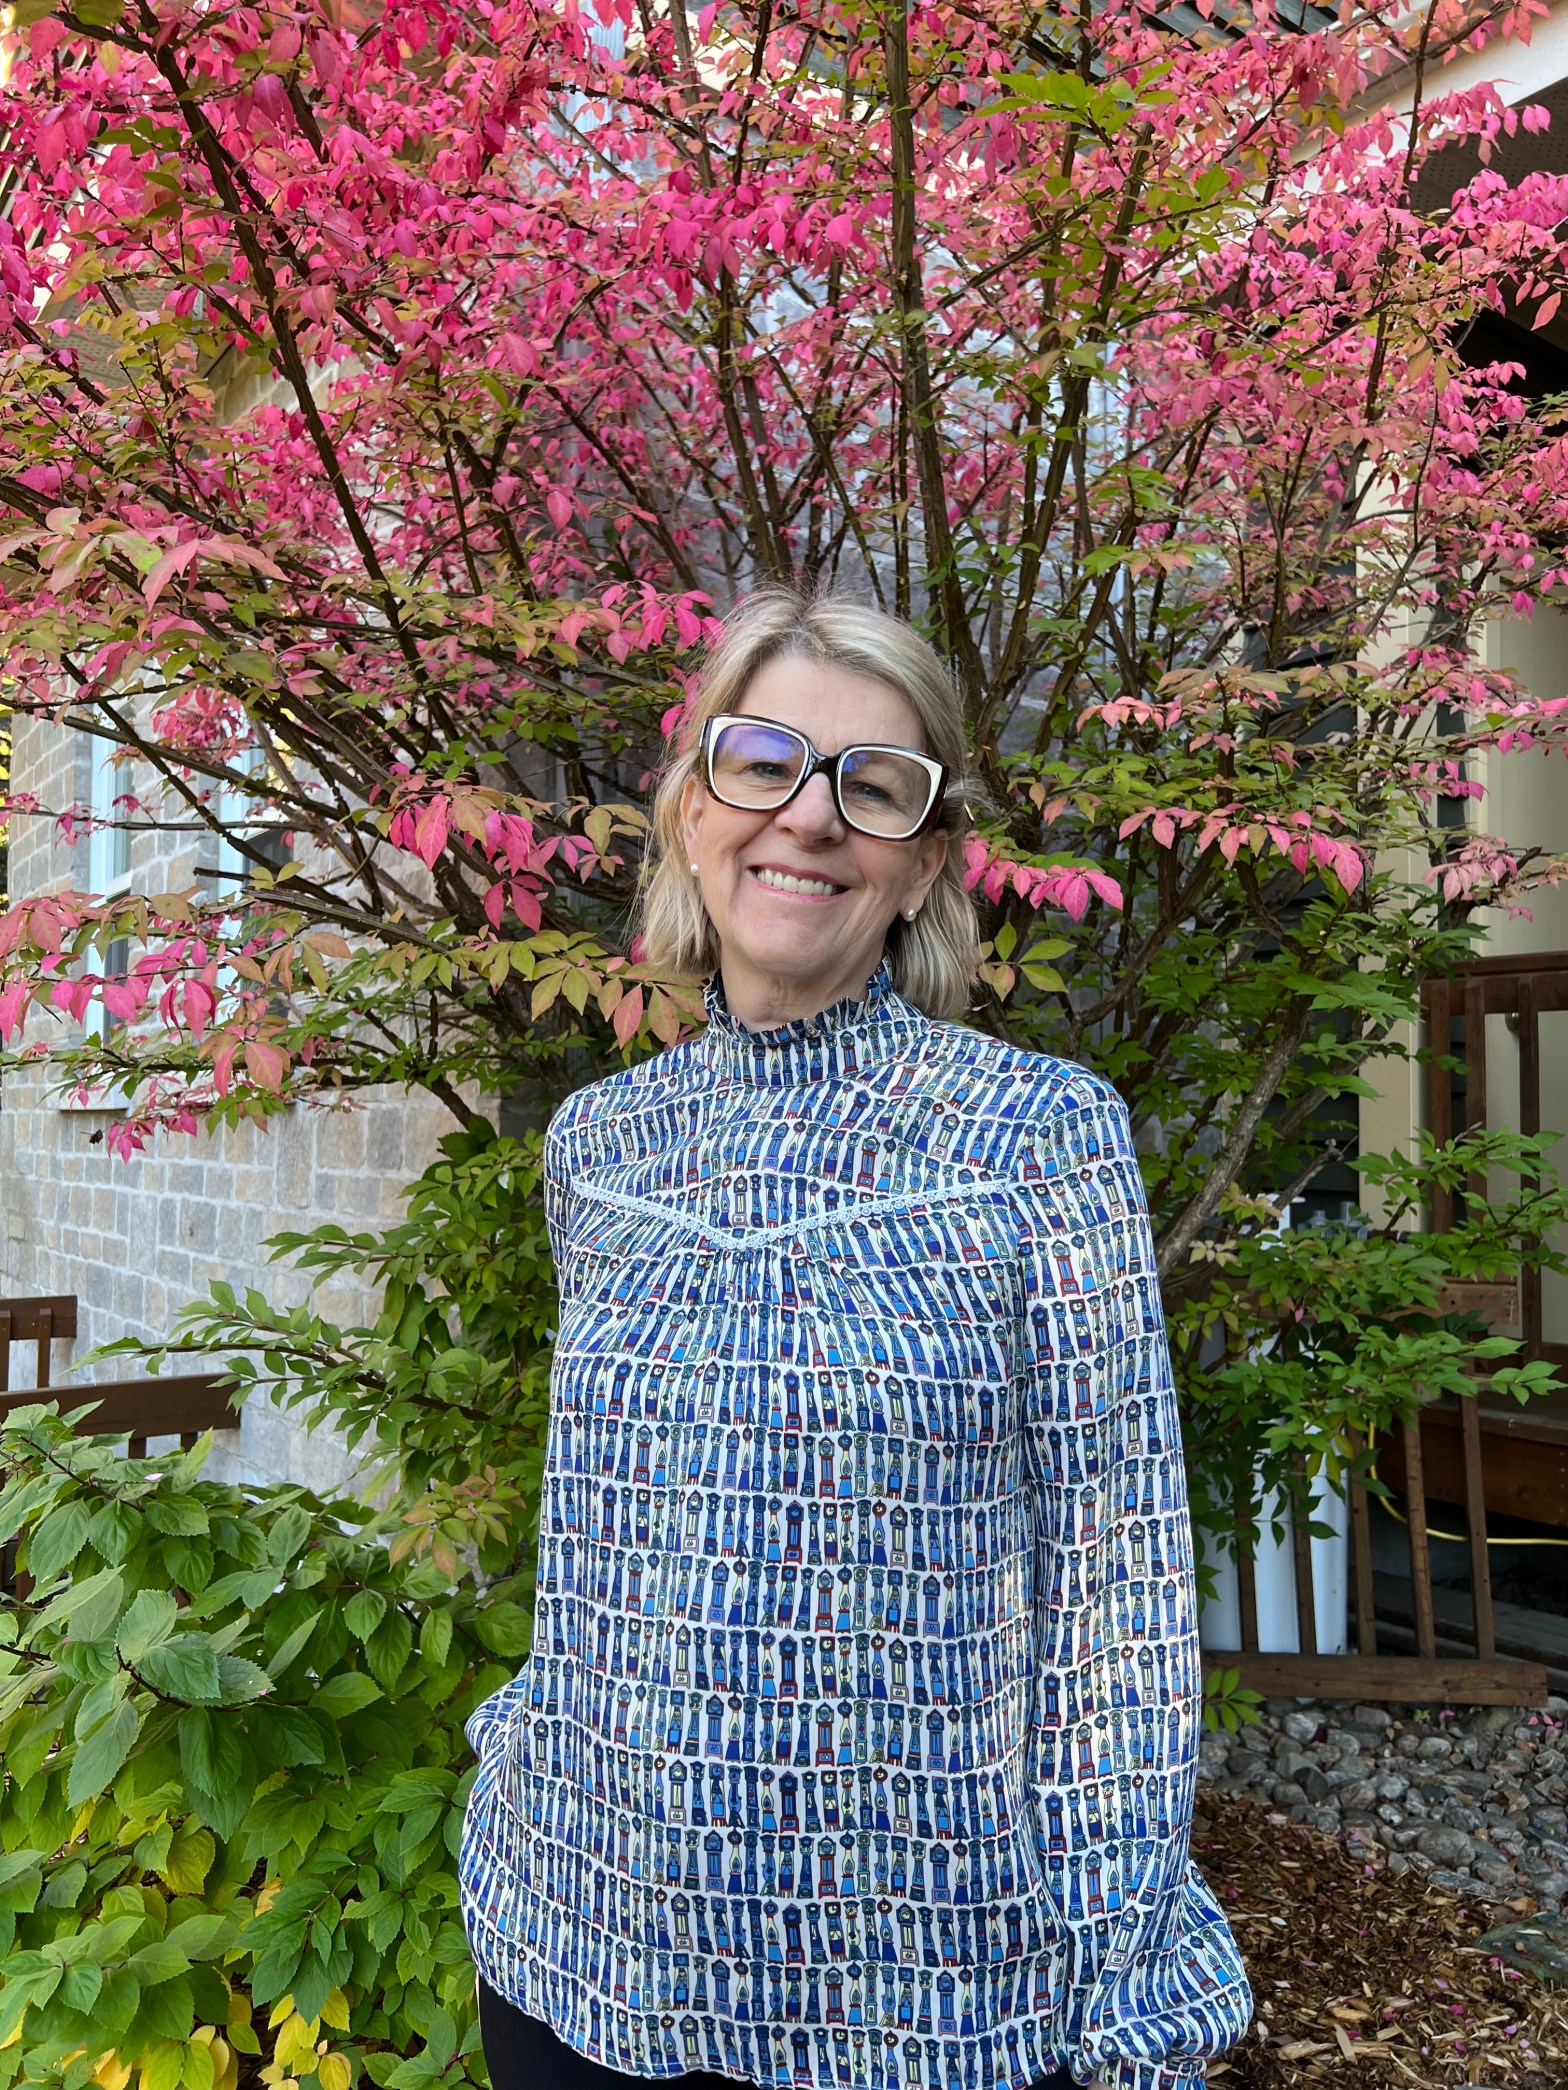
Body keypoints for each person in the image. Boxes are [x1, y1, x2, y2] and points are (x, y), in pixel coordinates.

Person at [460, 592, 1251, 2090]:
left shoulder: (1039, 1140)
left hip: (925, 2000)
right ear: (693, 807)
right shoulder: (600, 1145)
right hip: (575, 1957)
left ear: (924, 860)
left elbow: (1116, 1602)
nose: (809, 816)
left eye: (873, 784)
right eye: (763, 761)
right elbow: (604, 1540)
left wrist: (1131, 2006)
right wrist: (519, 1742)